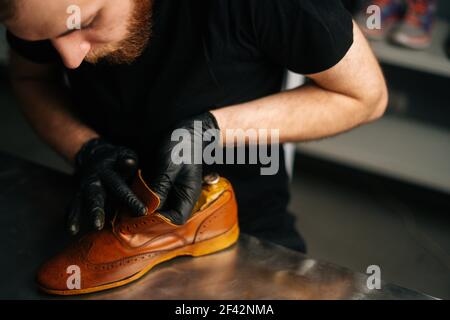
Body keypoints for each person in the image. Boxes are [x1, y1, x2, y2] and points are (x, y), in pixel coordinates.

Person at [0, 0, 388, 253]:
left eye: (83, 24)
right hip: (109, 214)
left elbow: (365, 97)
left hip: (240, 220)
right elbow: (31, 80)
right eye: (47, 40)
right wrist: (86, 148)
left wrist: (209, 131)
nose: (69, 59)